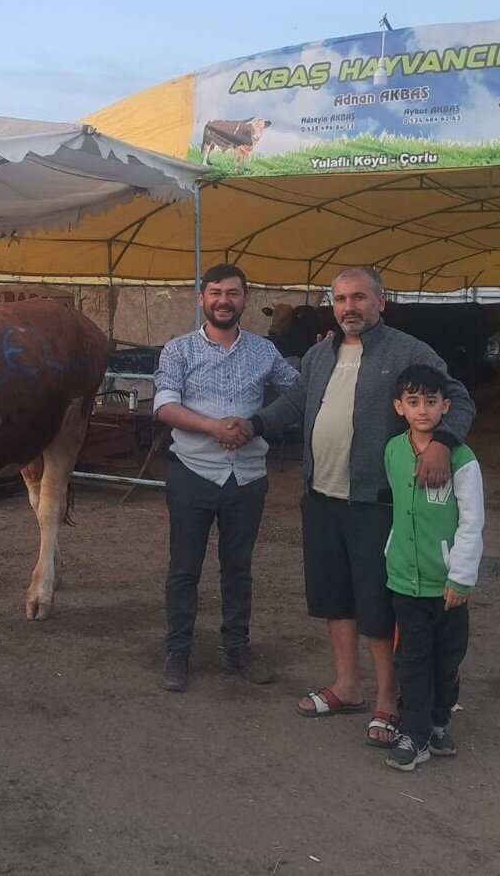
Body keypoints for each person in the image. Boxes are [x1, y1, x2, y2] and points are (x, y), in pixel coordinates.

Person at [243, 266, 474, 747]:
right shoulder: (317, 354)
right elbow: (293, 403)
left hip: (376, 503)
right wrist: (252, 426)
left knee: (377, 606)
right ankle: (347, 686)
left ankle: (388, 702)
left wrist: (442, 444)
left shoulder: (408, 351)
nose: (350, 307)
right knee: (335, 599)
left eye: (360, 298)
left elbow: (458, 397)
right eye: (341, 298)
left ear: (381, 303)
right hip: (321, 496)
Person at [153, 263, 299, 691]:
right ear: (202, 299)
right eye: (215, 292)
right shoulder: (178, 350)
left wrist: (258, 422)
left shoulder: (263, 351)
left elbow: (300, 389)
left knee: (238, 568)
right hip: (193, 472)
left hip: (247, 476)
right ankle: (177, 651)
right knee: (184, 568)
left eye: (233, 293)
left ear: (245, 300)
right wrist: (214, 428)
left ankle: (237, 648)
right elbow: (164, 406)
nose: (224, 300)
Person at [383, 364, 484, 771]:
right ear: (399, 407)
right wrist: (392, 557)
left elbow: (471, 521)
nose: (422, 410)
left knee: (447, 658)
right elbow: (397, 511)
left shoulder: (462, 459)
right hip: (405, 581)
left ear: (446, 406)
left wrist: (460, 577)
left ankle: (439, 721)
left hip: (447, 586)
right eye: (413, 402)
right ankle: (416, 733)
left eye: (430, 402)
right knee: (412, 658)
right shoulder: (393, 450)